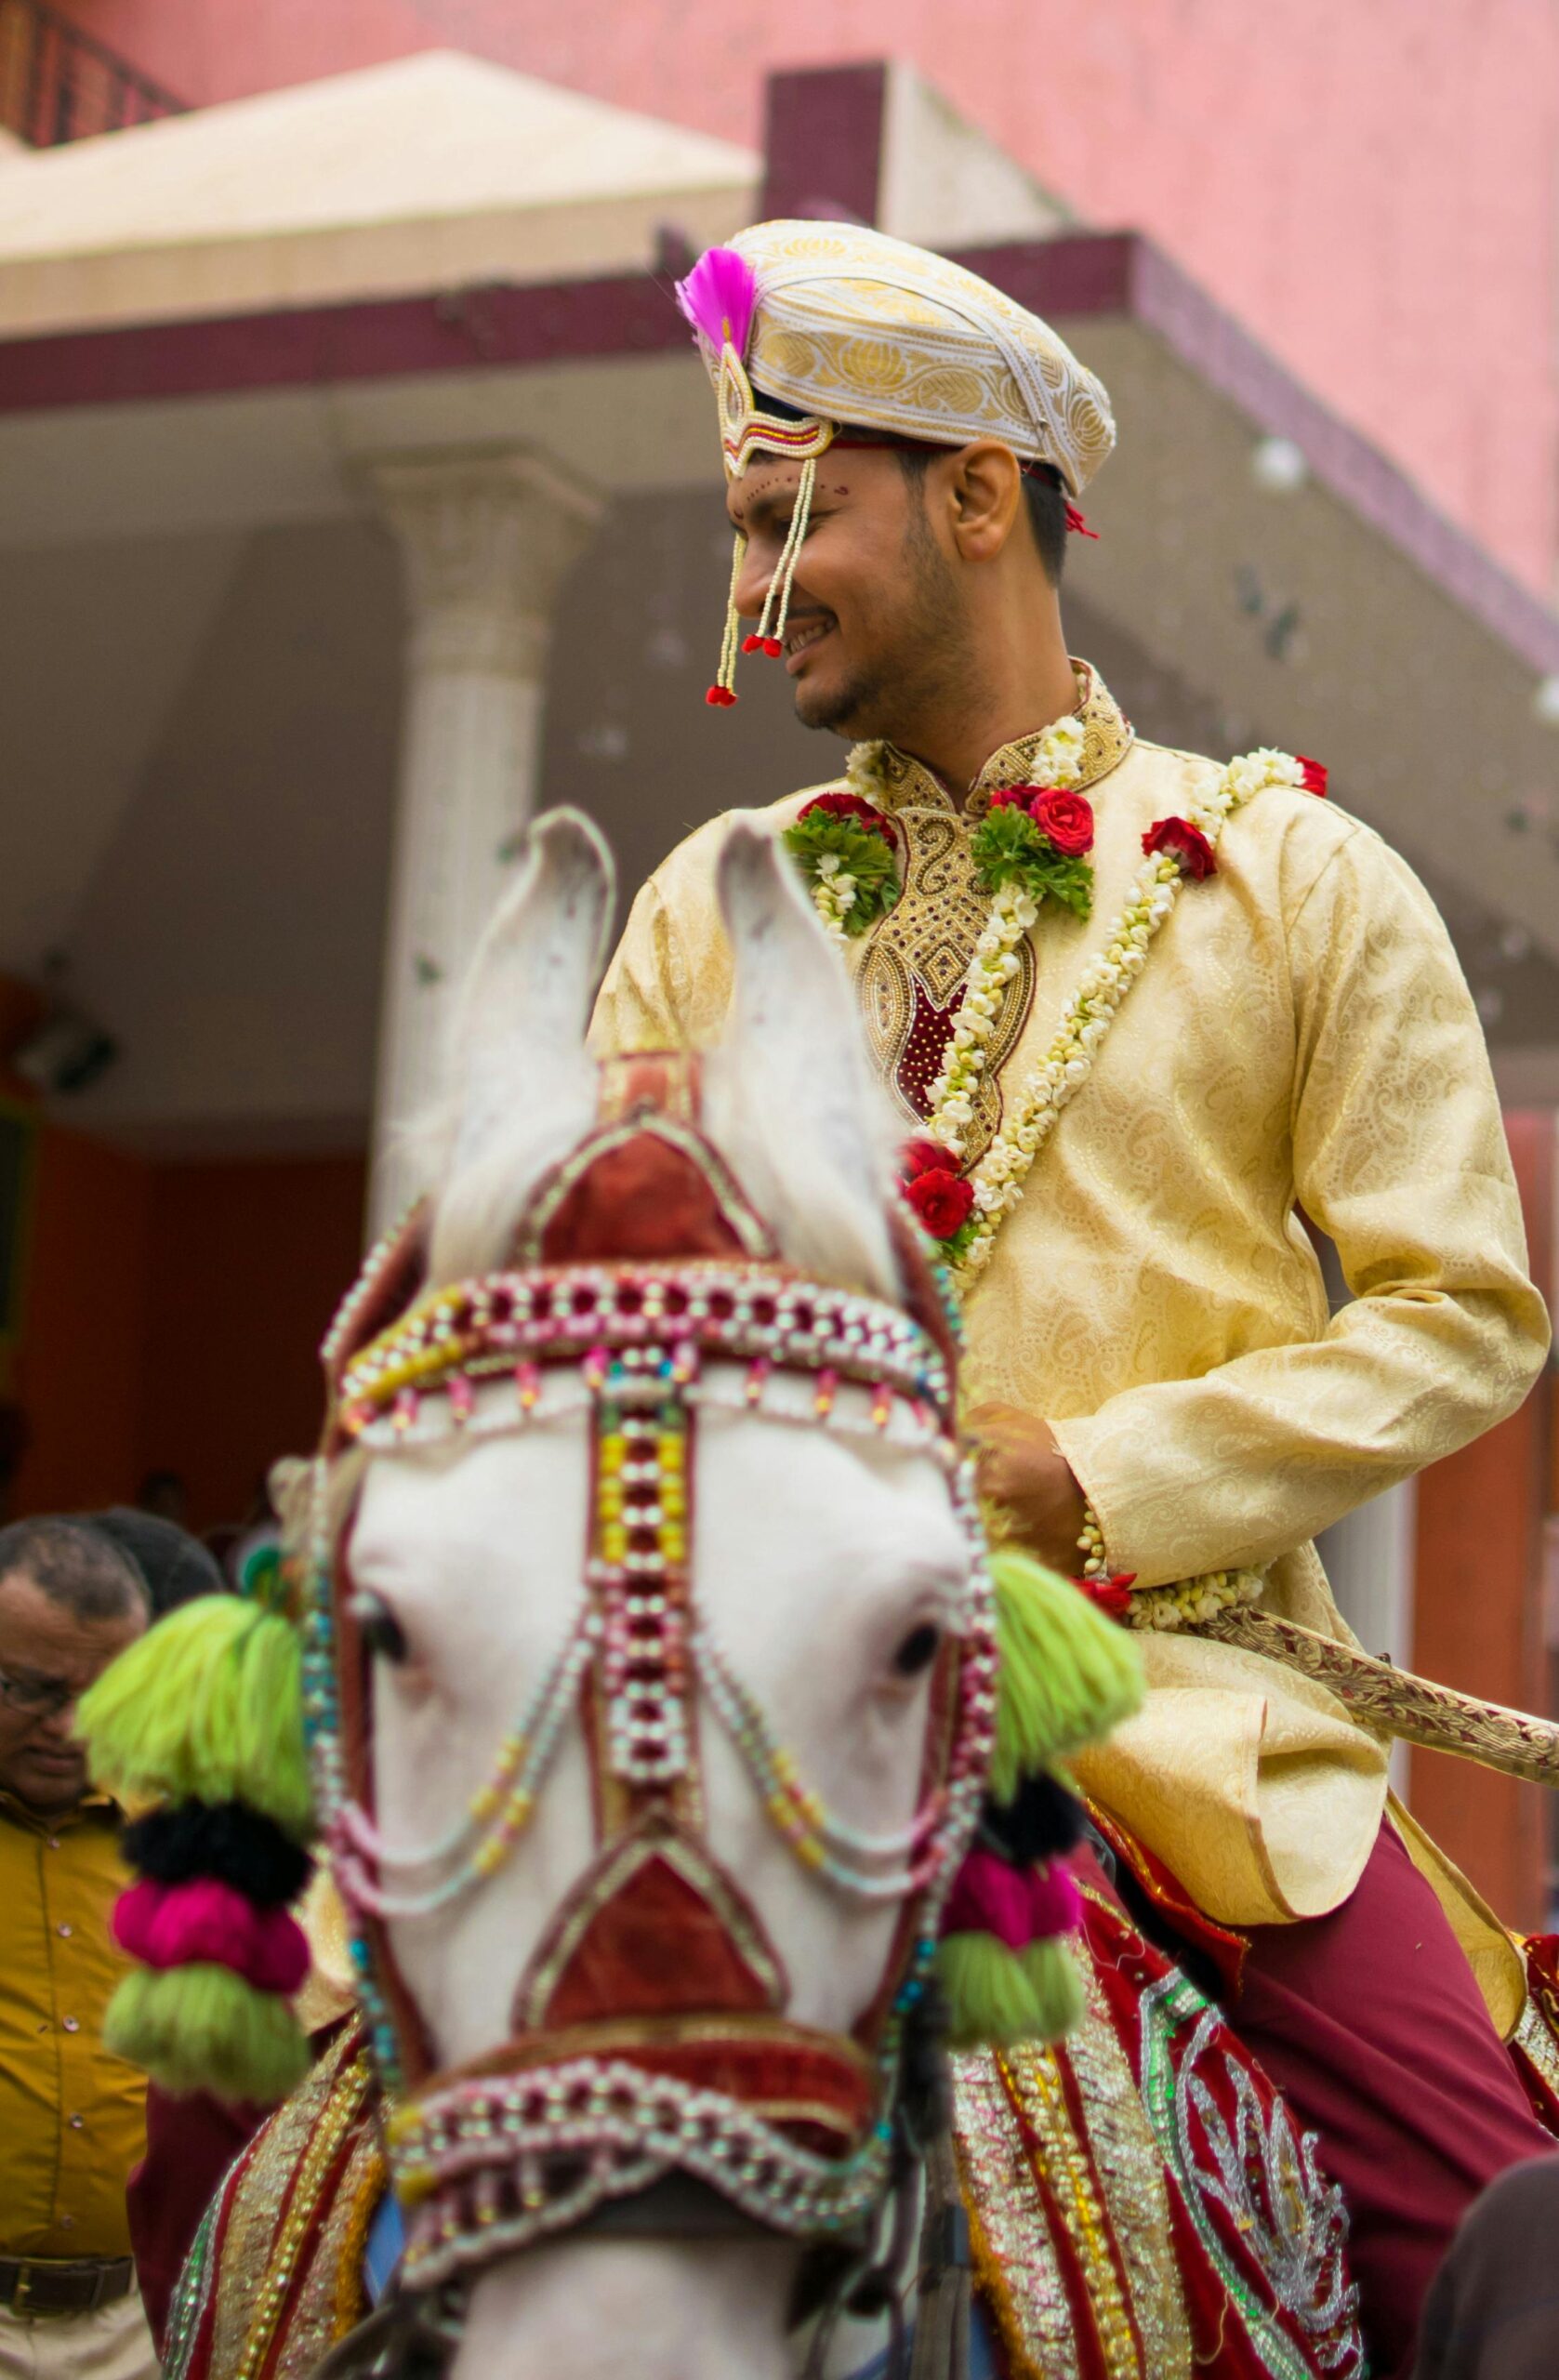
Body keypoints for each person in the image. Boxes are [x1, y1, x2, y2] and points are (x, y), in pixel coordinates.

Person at [588, 220, 1557, 2375]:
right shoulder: (703, 908)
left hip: (1184, 1728)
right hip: (750, 1716)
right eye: (743, 529)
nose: (758, 588)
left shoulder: (1288, 872)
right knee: (285, 2120)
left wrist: (1095, 1472)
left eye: (796, 517)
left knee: (1500, 2242)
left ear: (970, 495)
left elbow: (1458, 1312)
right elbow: (604, 1302)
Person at [0, 1515, 156, 2379]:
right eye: (29, 1688)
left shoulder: (187, 1836)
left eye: (99, 1697)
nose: (66, 1727)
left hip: (139, 2329)